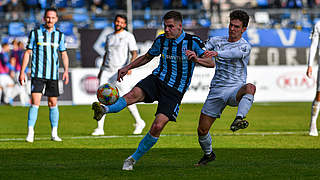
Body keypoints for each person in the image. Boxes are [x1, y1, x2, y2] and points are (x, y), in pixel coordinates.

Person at [91, 10, 209, 170]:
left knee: (157, 126)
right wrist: (128, 67)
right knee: (131, 95)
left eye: (170, 26)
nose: (166, 30)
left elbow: (211, 62)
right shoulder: (162, 40)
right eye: (165, 26)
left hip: (175, 90)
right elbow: (147, 57)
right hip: (157, 79)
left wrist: (197, 59)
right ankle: (104, 108)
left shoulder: (193, 41)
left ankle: (132, 159)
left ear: (180, 26)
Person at [188, 10, 256, 166]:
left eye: (237, 27)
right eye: (231, 25)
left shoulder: (245, 46)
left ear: (243, 29)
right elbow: (205, 55)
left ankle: (239, 118)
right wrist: (196, 55)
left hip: (235, 89)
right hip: (217, 90)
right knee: (202, 130)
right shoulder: (216, 40)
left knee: (250, 87)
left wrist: (216, 53)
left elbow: (232, 54)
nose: (232, 29)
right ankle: (208, 154)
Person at [19, 7, 69, 143]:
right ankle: (30, 132)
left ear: (56, 19)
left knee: (53, 102)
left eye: (53, 18)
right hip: (38, 74)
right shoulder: (35, 33)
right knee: (35, 102)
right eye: (48, 17)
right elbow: (28, 53)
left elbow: (63, 54)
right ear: (44, 18)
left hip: (53, 75)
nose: (50, 20)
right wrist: (22, 71)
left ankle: (54, 133)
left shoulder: (60, 35)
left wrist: (65, 70)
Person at [91, 14, 146, 136]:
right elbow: (106, 54)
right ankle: (100, 128)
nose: (118, 23)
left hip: (119, 71)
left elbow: (134, 52)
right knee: (101, 97)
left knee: (127, 98)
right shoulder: (109, 37)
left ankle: (139, 122)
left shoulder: (128, 36)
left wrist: (130, 67)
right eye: (117, 21)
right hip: (106, 70)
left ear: (125, 24)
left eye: (121, 22)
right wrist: (101, 70)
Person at [306, 20, 320, 137]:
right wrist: (310, 65)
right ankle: (313, 123)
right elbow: (314, 45)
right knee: (319, 95)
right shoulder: (318, 24)